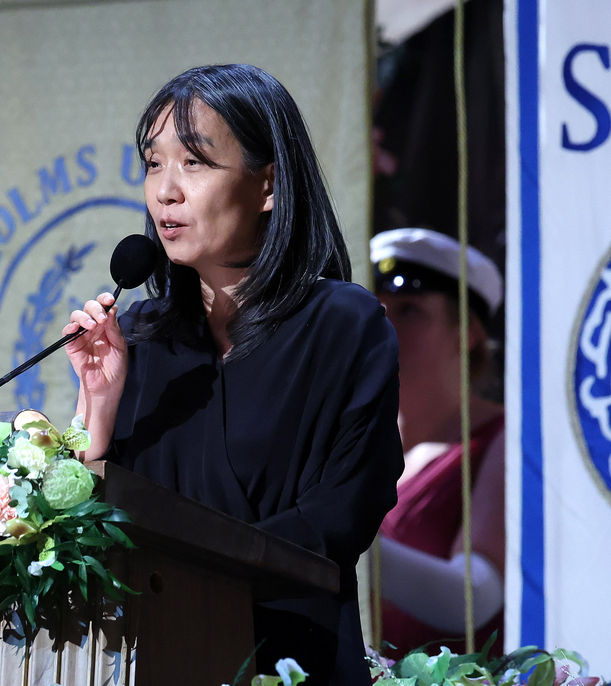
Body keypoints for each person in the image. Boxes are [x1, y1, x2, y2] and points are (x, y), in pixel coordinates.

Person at [63, 64, 405, 684]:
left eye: (194, 162)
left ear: (267, 184)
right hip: (156, 659)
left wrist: (195, 573)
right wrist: (98, 413)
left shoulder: (343, 326)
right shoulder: (138, 338)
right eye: (152, 163)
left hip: (294, 661)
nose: (166, 190)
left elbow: (344, 511)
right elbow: (93, 534)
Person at [369, 228, 506, 657]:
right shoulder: (351, 439)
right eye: (377, 308)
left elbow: (476, 598)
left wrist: (343, 546)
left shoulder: (502, 439)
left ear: (466, 332)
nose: (383, 324)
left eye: (409, 310)